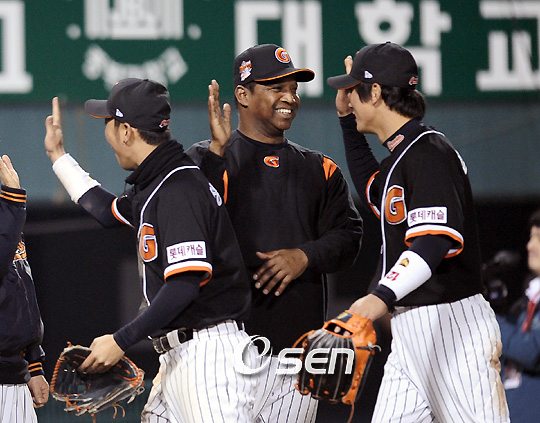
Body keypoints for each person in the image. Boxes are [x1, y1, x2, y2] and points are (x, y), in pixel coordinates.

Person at [43, 79, 258, 423]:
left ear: (126, 131)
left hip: (209, 358)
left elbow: (184, 285)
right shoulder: (160, 181)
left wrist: (121, 340)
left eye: (108, 122)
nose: (106, 132)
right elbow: (107, 211)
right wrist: (58, 156)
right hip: (180, 355)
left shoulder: (178, 188)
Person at [327, 42, 509, 423]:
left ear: (375, 92)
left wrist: (379, 296)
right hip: (409, 333)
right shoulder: (404, 155)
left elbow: (433, 241)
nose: (348, 98)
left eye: (354, 90)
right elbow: (374, 191)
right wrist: (346, 122)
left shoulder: (430, 153)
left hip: (453, 329)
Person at [187, 44, 363, 423]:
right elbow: (188, 228)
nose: (290, 98)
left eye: (293, 89)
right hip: (225, 351)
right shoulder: (205, 159)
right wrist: (216, 156)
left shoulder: (319, 168)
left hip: (296, 355)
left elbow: (349, 236)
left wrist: (305, 256)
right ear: (243, 95)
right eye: (276, 88)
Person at [0, 154, 49, 422]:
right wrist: (13, 202)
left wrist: (34, 364)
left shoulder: (7, 215)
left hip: (14, 377)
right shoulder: (10, 212)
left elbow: (21, 294)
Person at [496, 208, 540, 423]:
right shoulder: (530, 297)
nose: (529, 246)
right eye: (531, 237)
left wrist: (490, 321)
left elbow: (531, 351)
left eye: (538, 238)